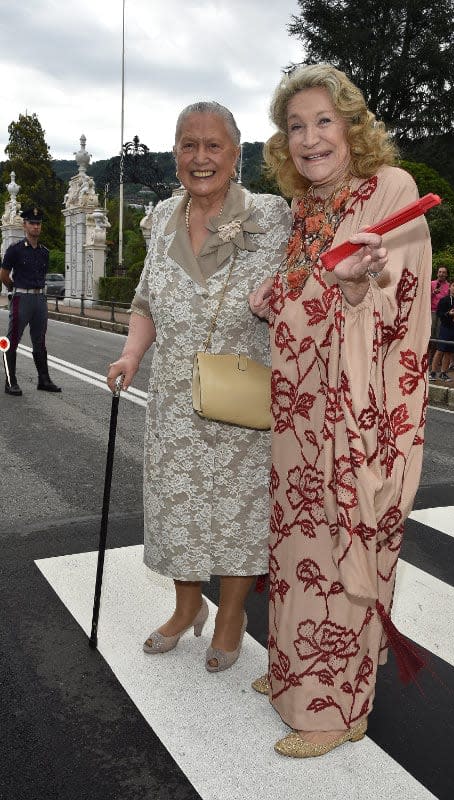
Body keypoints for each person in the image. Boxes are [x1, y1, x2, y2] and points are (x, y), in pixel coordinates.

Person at [249, 64, 432, 758]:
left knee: (340, 546)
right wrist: (276, 292)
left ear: (353, 126)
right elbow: (306, 295)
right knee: (297, 548)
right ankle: (297, 668)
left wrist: (352, 293)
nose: (308, 138)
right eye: (295, 126)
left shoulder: (390, 191)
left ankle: (336, 708)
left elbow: (395, 308)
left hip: (357, 413)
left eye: (323, 121)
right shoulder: (308, 208)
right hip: (300, 411)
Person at [107, 102, 291, 670]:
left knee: (239, 512)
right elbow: (145, 301)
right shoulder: (161, 216)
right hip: (174, 400)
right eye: (189, 145)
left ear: (237, 155)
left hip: (243, 400)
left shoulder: (273, 215)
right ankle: (188, 609)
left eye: (214, 146)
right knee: (179, 510)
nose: (201, 157)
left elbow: (304, 291)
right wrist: (132, 353)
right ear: (176, 154)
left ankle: (231, 616)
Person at [0, 207, 61, 395]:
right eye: (32, 223)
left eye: (38, 223)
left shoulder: (44, 252)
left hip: (40, 299)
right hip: (22, 298)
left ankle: (44, 380)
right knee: (12, 340)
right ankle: (10, 382)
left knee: (40, 340)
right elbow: (3, 274)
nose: (36, 226)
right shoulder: (15, 250)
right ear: (24, 225)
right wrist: (14, 288)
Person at [429, 277, 454, 381]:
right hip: (445, 327)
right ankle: (432, 372)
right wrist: (448, 314)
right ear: (449, 287)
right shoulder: (444, 300)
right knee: (440, 350)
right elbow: (439, 313)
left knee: (449, 351)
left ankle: (443, 373)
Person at [428, 265, 449, 362]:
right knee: (430, 334)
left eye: (444, 272)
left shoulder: (449, 286)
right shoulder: (431, 284)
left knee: (439, 334)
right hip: (431, 311)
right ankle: (427, 357)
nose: (441, 274)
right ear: (437, 273)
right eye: (440, 272)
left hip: (442, 313)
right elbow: (424, 297)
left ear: (446, 274)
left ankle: (436, 358)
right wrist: (433, 293)